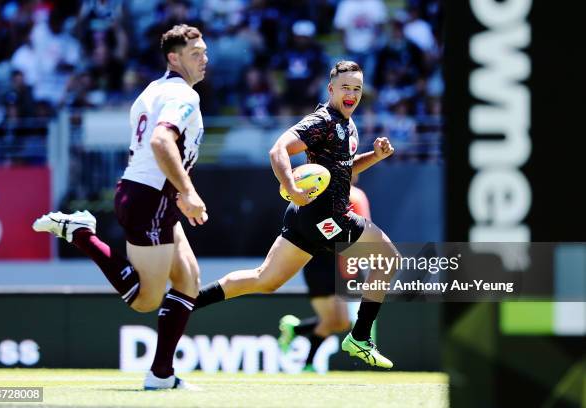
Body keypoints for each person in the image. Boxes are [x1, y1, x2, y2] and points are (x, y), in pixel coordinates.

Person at [32, 24, 208, 390]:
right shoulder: (183, 96)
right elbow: (161, 141)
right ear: (174, 58)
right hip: (152, 199)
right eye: (195, 54)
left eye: (204, 51)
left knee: (189, 281)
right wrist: (187, 191)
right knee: (145, 300)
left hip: (149, 194)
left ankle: (161, 374)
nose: (204, 59)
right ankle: (81, 234)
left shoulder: (151, 90)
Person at [195, 60, 397, 368]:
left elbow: (344, 171)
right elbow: (278, 150)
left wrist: (376, 156)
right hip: (327, 216)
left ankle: (187, 301)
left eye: (357, 88)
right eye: (345, 87)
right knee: (389, 259)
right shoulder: (323, 120)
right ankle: (360, 337)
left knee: (265, 280)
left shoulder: (348, 125)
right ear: (331, 89)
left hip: (305, 216)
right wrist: (290, 184)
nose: (352, 94)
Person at [278, 179, 372, 372]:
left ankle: (295, 330)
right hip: (319, 264)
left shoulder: (356, 196)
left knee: (342, 322)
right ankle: (308, 365)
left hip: (337, 266)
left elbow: (359, 237)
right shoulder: (320, 196)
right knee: (332, 320)